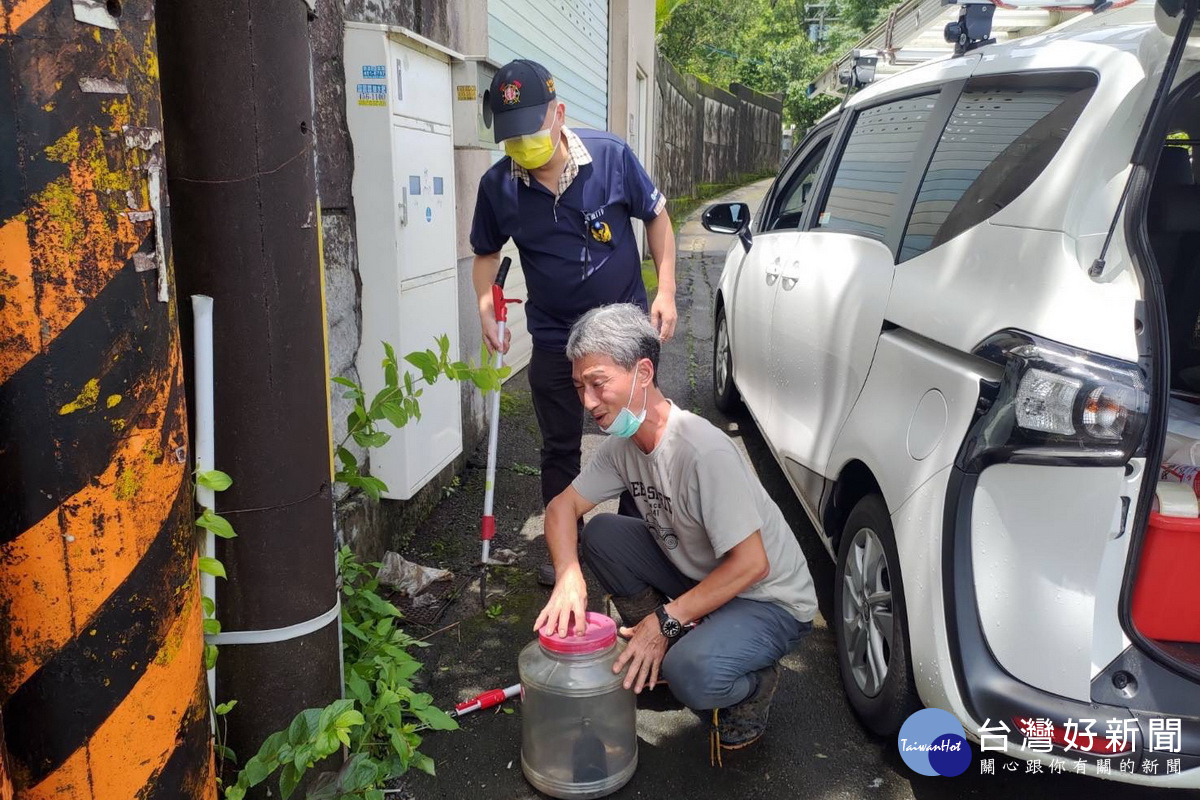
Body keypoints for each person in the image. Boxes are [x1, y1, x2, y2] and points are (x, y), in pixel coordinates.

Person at [532, 304, 818, 753]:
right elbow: (560, 508)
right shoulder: (623, 445)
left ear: (643, 373)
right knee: (602, 534)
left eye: (598, 383)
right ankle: (668, 642)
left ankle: (751, 688)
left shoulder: (702, 450)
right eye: (579, 387)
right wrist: (568, 574)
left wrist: (663, 620)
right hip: (704, 574)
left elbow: (752, 565)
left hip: (768, 599)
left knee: (693, 674)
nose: (586, 402)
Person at [470, 59, 678, 585]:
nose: (521, 146)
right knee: (560, 447)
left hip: (625, 334)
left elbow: (656, 216)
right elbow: (485, 254)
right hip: (556, 338)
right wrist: (483, 305)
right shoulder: (499, 187)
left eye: (530, 131)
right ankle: (570, 551)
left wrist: (668, 290)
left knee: (639, 436)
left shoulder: (610, 157)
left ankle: (644, 543)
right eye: (510, 138)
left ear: (559, 113)